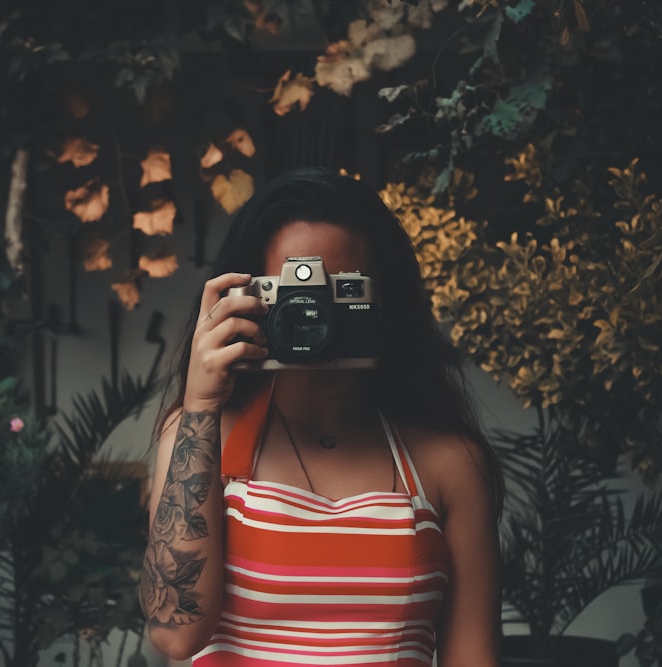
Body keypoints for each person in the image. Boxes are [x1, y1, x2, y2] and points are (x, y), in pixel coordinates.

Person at [140, 167, 502, 666]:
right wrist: (201, 405)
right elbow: (174, 634)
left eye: (339, 291)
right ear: (247, 300)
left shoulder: (448, 463)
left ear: (382, 303)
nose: (313, 314)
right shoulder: (200, 436)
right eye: (291, 295)